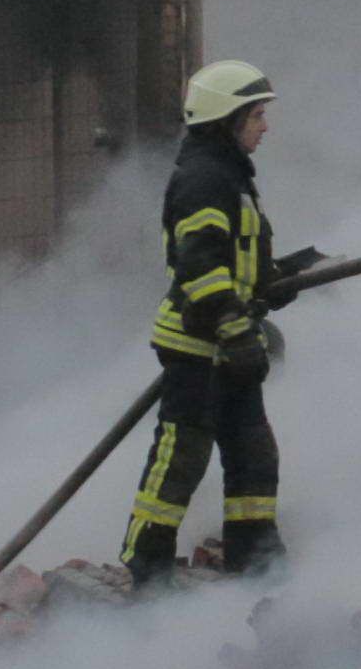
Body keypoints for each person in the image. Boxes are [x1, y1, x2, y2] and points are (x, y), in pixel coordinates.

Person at [126, 57, 301, 581]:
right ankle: (148, 568)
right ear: (228, 119)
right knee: (180, 461)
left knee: (253, 456)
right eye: (256, 116)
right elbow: (200, 267)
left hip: (232, 345)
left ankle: (258, 564)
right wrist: (234, 328)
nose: (264, 127)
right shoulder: (204, 180)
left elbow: (237, 260)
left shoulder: (230, 176)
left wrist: (280, 278)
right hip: (199, 347)